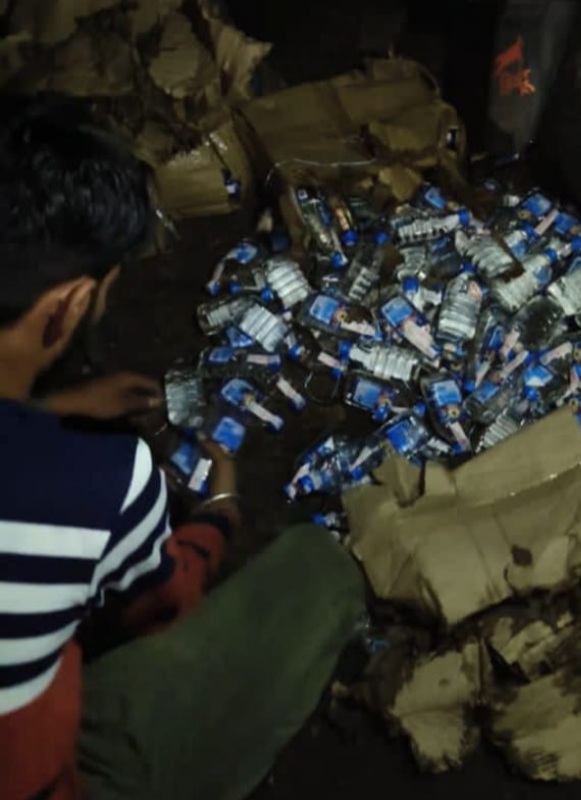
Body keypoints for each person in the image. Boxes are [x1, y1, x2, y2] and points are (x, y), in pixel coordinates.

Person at [0, 96, 364, 800]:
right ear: (68, 306)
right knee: (319, 574)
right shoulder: (98, 483)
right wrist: (218, 514)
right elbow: (163, 602)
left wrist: (47, 409)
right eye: (106, 289)